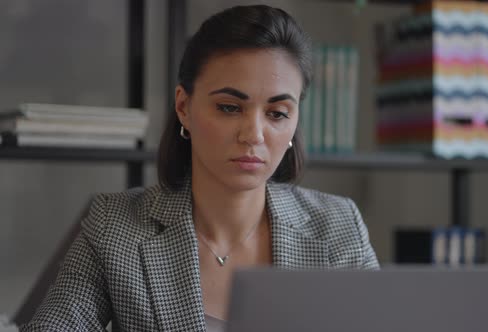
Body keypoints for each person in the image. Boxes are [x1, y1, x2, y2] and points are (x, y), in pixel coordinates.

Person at [21, 5, 378, 332]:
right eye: (229, 107)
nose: (253, 134)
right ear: (183, 107)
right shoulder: (114, 226)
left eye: (277, 113)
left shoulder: (339, 227)